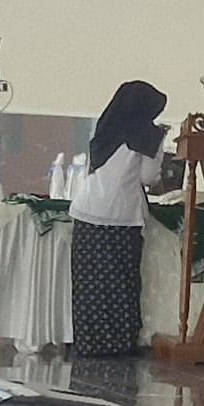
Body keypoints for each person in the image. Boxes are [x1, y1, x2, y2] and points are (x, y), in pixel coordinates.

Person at [68, 80, 170, 359]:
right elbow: (148, 177)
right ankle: (119, 343)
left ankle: (89, 344)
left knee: (90, 286)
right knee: (122, 283)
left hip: (86, 211)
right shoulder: (148, 135)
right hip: (121, 216)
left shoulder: (106, 126)